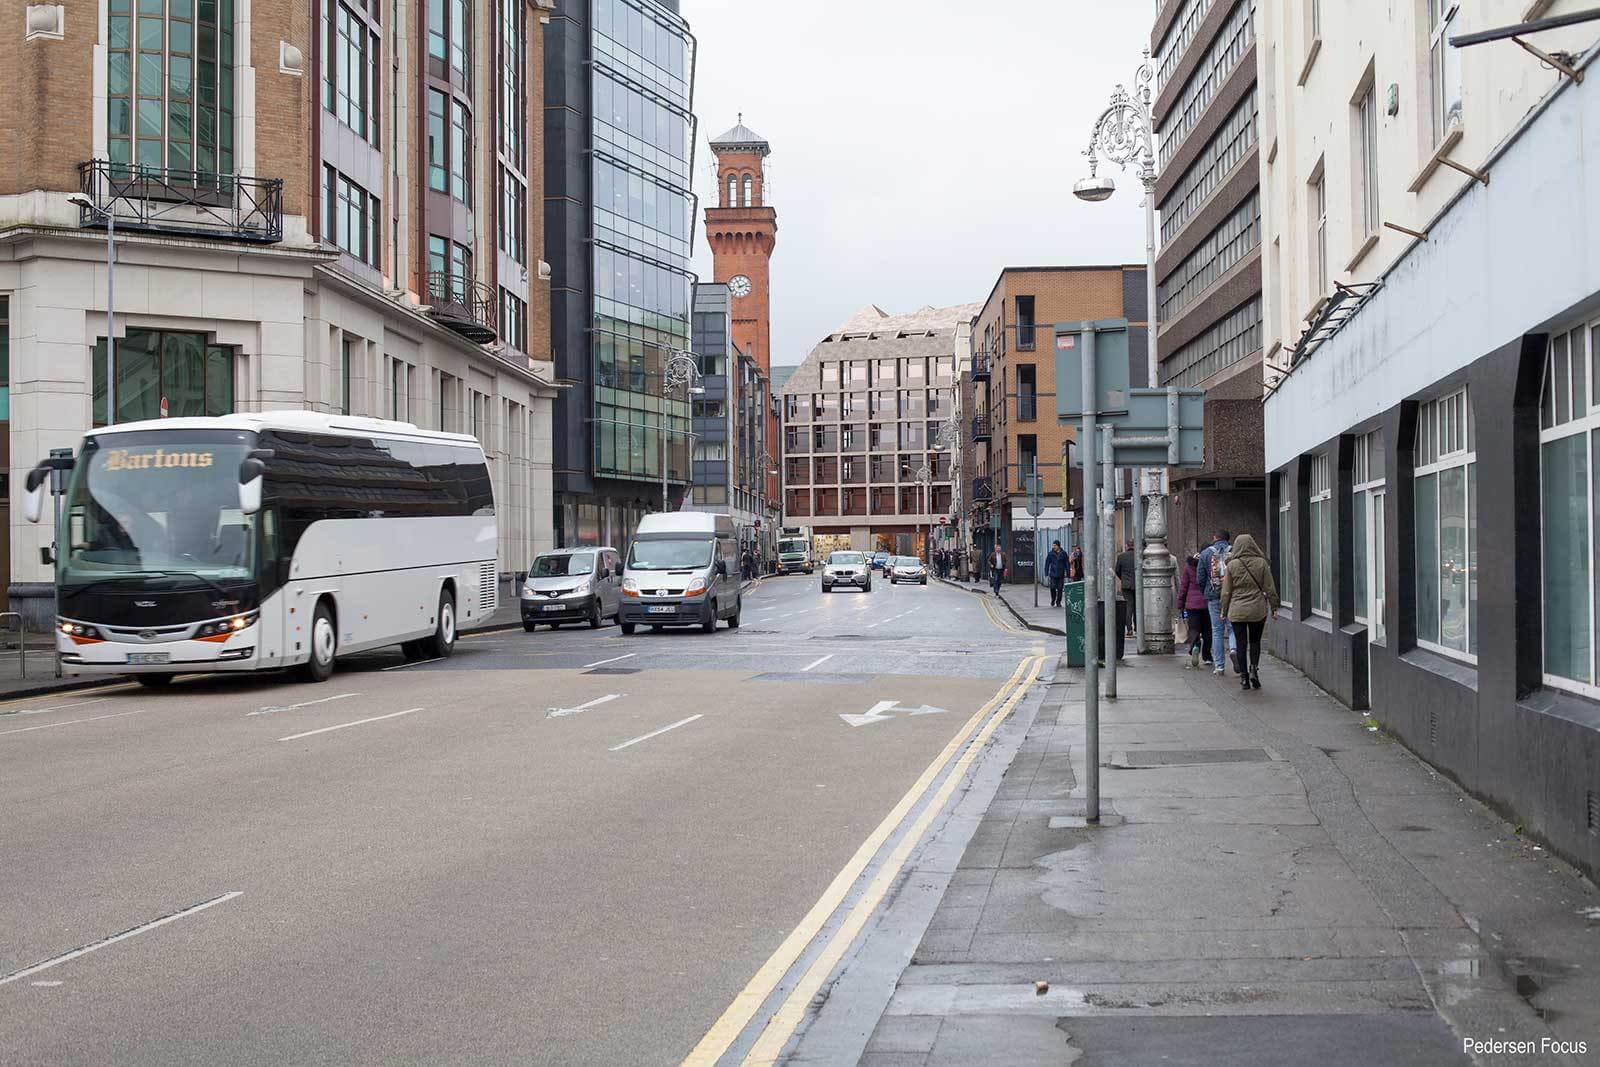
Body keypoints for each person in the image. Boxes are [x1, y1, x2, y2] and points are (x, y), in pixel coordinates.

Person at [1221, 533, 1280, 690]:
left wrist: (1223, 610)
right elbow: (1270, 588)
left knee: (1241, 644)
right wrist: (1274, 607)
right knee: (1255, 642)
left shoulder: (1232, 565)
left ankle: (1244, 678)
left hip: (1237, 610)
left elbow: (1226, 592)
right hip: (1257, 609)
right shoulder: (1261, 563)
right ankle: (1254, 670)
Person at [1198, 529, 1234, 676]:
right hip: (1231, 596)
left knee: (1217, 631)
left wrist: (1206, 592)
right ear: (1228, 539)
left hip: (1213, 596)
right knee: (1232, 627)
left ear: (1214, 538)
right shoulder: (1235, 552)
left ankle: (1219, 666)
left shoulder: (1206, 553)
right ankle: (1234, 649)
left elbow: (1200, 578)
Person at [1176, 551, 1212, 668]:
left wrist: (1180, 604)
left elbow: (1183, 587)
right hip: (1207, 603)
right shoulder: (1209, 565)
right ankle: (1207, 656)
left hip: (1192, 604)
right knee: (1207, 631)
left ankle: (1195, 646)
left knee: (1194, 628)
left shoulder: (1188, 567)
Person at [1115, 539, 1138, 639]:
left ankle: (1129, 629)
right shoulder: (1138, 556)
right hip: (1137, 585)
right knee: (1137, 606)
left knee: (1129, 606)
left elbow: (1117, 570)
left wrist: (1123, 579)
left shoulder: (1121, 557)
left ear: (1126, 546)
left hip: (1126, 585)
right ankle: (1138, 627)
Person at [1044, 540, 1067, 608]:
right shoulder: (1050, 554)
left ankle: (1058, 602)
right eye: (1053, 545)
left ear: (1058, 546)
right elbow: (1047, 563)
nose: (1053, 547)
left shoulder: (1063, 553)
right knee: (1052, 587)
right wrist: (1046, 573)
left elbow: (1066, 563)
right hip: (1053, 574)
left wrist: (1068, 573)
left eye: (1055, 545)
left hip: (1060, 574)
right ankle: (1053, 599)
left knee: (1060, 588)